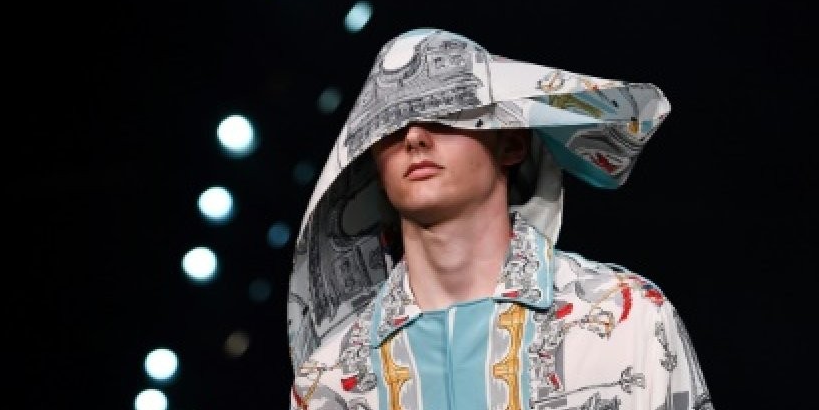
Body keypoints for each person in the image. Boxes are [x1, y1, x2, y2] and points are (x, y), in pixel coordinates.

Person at [286, 28, 714, 410]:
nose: (414, 137)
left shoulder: (625, 320)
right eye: (388, 126)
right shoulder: (327, 385)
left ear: (511, 144)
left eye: (443, 113)